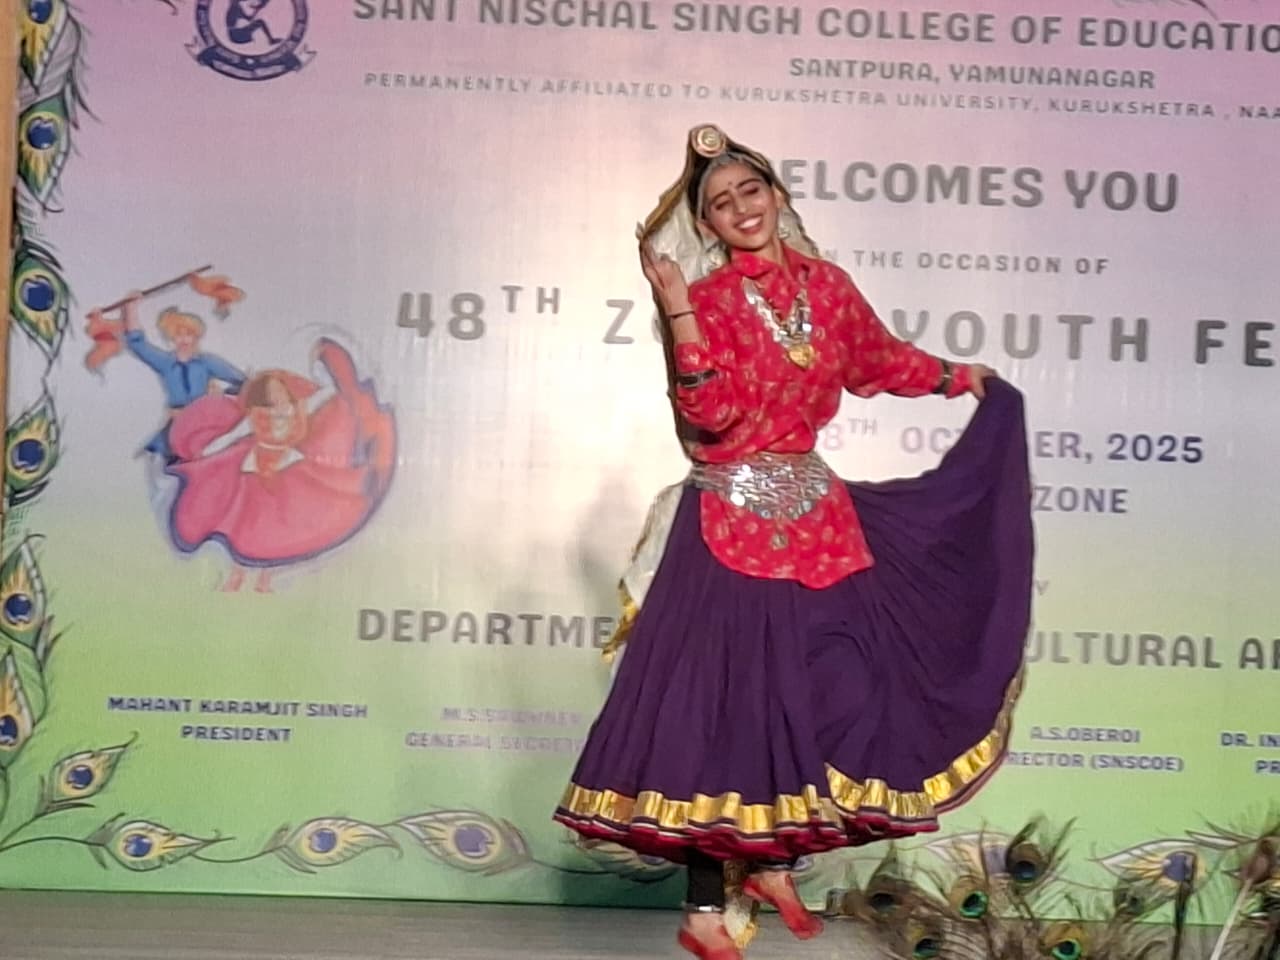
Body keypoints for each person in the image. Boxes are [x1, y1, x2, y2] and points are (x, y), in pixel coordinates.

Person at [553, 124, 1034, 960]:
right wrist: (677, 310)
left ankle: (776, 852)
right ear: (706, 225)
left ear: (778, 195)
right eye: (720, 203)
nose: (741, 208)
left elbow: (876, 360)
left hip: (817, 519)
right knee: (722, 710)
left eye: (751, 190)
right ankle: (706, 908)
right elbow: (708, 415)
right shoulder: (709, 301)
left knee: (847, 681)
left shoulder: (828, 287)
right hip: (730, 523)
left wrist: (960, 378)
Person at [120, 295, 246, 465]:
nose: (184, 339)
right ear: (172, 337)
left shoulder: (207, 362)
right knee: (168, 461)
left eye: (189, 334)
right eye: (178, 335)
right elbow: (138, 345)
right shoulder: (166, 363)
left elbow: (243, 382)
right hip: (176, 425)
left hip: (203, 424)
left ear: (196, 337)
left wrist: (219, 398)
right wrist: (130, 309)